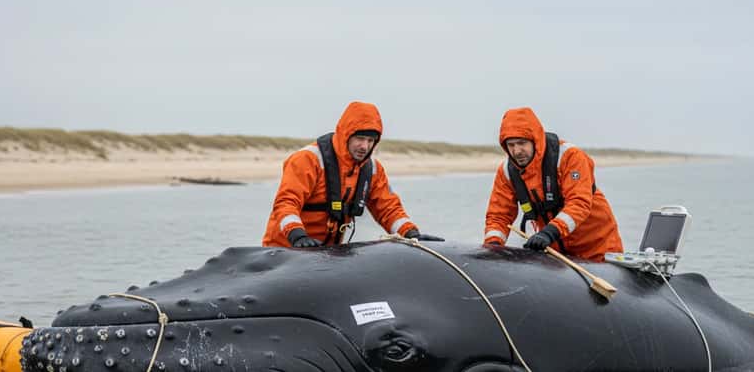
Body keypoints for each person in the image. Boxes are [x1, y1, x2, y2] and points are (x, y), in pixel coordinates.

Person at [262, 101, 443, 248]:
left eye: (370, 140)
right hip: (284, 250)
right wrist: (296, 234)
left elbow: (389, 209)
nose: (365, 146)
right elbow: (286, 203)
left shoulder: (372, 170)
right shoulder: (308, 160)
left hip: (324, 255)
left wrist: (411, 233)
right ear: (345, 135)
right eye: (360, 139)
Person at [483, 107, 623, 261]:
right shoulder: (507, 172)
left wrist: (549, 232)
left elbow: (579, 203)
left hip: (598, 248)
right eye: (511, 145)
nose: (516, 151)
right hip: (557, 256)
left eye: (521, 143)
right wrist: (493, 247)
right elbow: (498, 216)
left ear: (535, 139)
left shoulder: (569, 157)